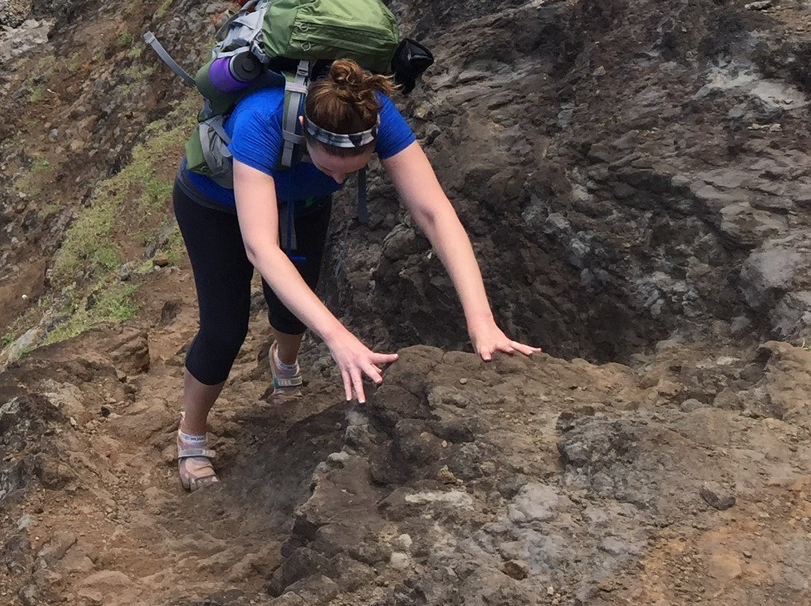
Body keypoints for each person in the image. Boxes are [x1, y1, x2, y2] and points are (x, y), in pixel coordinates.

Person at [171, 58, 538, 489]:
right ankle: (191, 433)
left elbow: (436, 213)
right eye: (330, 168)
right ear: (303, 128)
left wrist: (481, 321)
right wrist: (338, 338)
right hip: (214, 204)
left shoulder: (376, 114)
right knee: (223, 330)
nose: (340, 179)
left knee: (294, 306)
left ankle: (284, 364)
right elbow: (261, 248)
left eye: (352, 171)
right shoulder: (261, 119)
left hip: (302, 203)